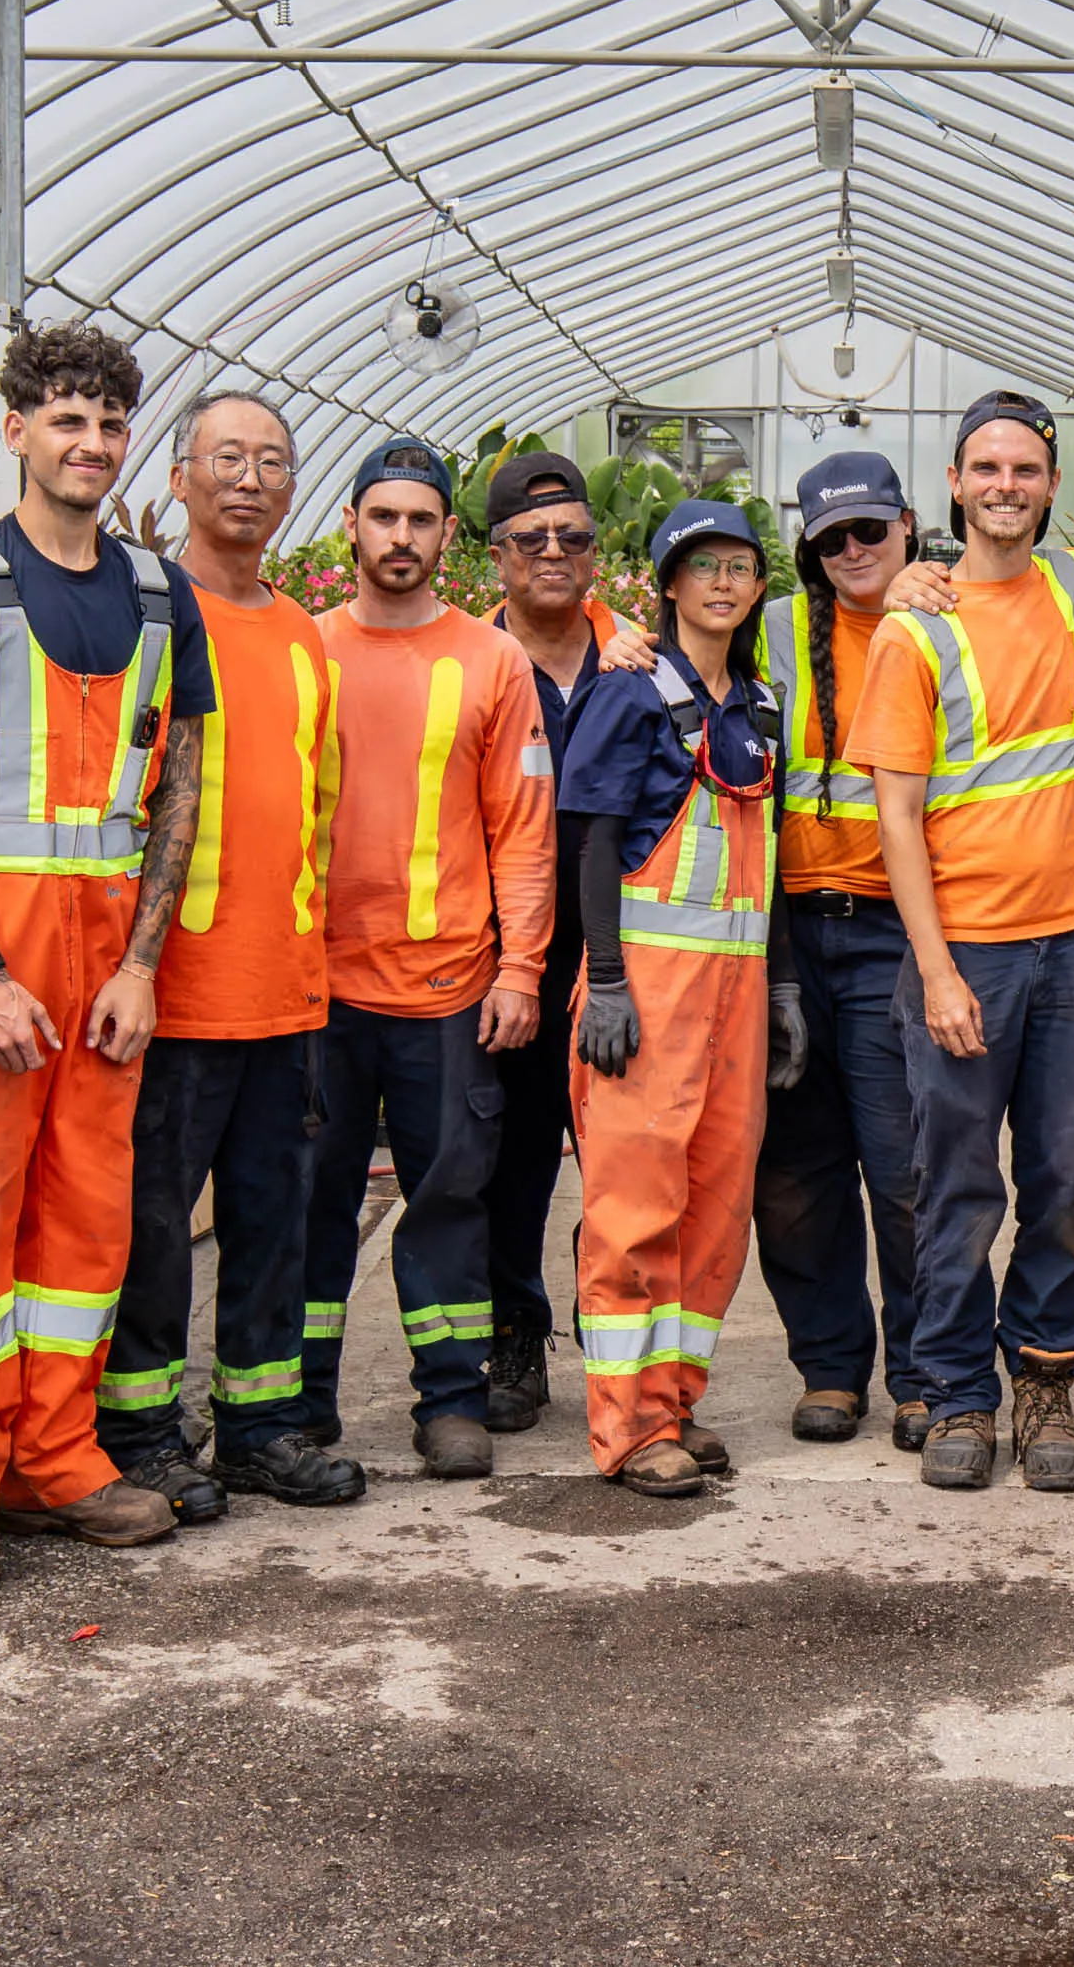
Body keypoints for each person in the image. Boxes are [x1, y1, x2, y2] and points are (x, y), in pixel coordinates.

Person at [0, 321, 215, 1591]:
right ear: (16, 428)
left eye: (110, 424)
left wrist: (141, 964)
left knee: (87, 1220)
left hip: (109, 963)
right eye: (65, 420)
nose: (89, 443)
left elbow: (178, 788)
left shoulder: (153, 589)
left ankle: (55, 1455)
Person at [848, 391, 1074, 1495]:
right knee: (954, 1185)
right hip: (966, 950)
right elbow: (895, 816)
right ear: (954, 483)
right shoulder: (912, 626)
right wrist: (934, 972)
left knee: (1070, 1177)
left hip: (1072, 946)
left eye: (1024, 470)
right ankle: (955, 1395)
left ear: (1051, 486)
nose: (1005, 486)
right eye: (986, 468)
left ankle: (1044, 1384)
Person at [111, 391, 368, 1511]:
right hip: (172, 995)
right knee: (154, 1233)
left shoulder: (304, 637)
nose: (250, 479)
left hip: (286, 995)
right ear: (179, 480)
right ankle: (138, 1437)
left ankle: (261, 1426)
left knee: (272, 1227)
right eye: (226, 458)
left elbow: (315, 812)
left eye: (272, 461)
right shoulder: (147, 618)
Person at [308, 439, 558, 1481]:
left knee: (449, 1203)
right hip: (314, 989)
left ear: (448, 537)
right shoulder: (305, 650)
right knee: (310, 1203)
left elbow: (523, 827)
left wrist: (520, 971)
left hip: (448, 989)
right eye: (383, 518)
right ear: (353, 528)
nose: (400, 537)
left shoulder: (493, 662)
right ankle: (296, 1403)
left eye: (420, 520)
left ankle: (449, 1401)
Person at [556, 500, 785, 1496]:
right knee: (633, 1208)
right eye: (704, 568)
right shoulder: (631, 692)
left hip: (733, 995)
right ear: (670, 584)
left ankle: (673, 1403)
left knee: (713, 1211)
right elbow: (594, 840)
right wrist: (603, 979)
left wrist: (778, 988)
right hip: (645, 994)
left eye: (740, 567)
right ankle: (625, 1427)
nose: (723, 583)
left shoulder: (758, 707)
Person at [750, 450, 932, 1449]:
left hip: (892, 935)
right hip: (781, 939)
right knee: (792, 1169)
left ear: (907, 523)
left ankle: (920, 1368)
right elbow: (675, 633)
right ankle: (829, 1366)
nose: (852, 550)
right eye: (830, 538)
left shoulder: (938, 618)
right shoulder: (774, 626)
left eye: (869, 530)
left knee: (904, 1166)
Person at [469, 451, 642, 1435]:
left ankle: (607, 1330)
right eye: (529, 538)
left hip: (616, 959)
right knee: (510, 1162)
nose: (551, 552)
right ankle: (514, 1338)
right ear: (495, 555)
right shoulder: (471, 660)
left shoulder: (638, 661)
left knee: (617, 1160)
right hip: (504, 964)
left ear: (593, 554)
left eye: (570, 536)